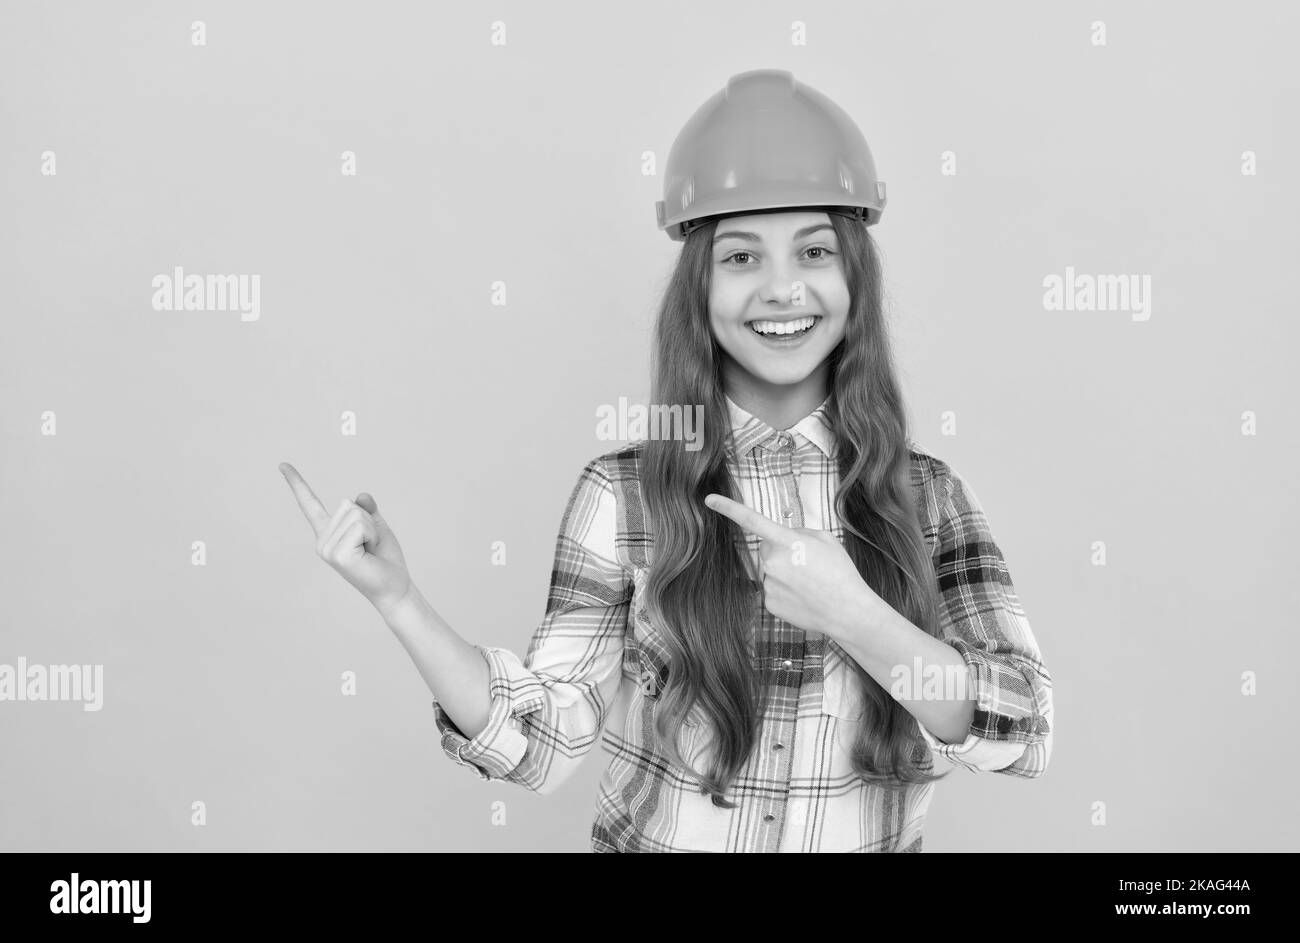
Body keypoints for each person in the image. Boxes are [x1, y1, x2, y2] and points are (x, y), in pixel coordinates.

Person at [279, 69, 1053, 852]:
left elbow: (1024, 729)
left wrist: (858, 617)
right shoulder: (624, 496)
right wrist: (399, 598)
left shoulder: (926, 497)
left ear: (853, 275)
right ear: (702, 290)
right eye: (743, 258)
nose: (784, 289)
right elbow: (539, 746)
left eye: (814, 250)